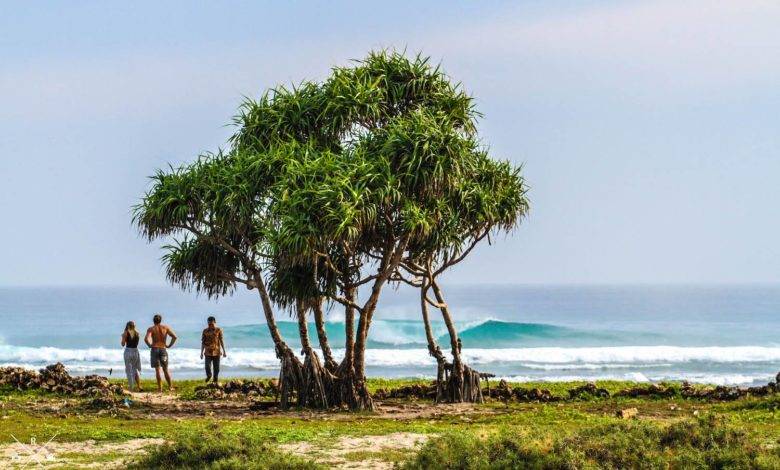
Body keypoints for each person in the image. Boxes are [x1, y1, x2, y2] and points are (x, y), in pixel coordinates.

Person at [144, 314, 177, 392]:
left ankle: (160, 388)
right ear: (160, 320)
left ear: (153, 321)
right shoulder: (165, 328)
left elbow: (146, 339)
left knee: (157, 370)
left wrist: (149, 345)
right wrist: (169, 345)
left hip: (155, 349)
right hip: (163, 349)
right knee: (165, 369)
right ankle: (170, 387)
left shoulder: (151, 329)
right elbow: (174, 337)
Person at [200, 316, 226, 384]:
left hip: (216, 352)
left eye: (212, 324)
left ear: (215, 322)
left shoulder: (218, 330)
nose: (210, 325)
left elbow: (221, 340)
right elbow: (203, 342)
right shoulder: (205, 331)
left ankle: (215, 381)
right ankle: (209, 376)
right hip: (208, 352)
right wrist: (201, 353)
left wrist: (224, 351)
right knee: (207, 367)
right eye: (209, 324)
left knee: (216, 368)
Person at [121, 321, 142, 392]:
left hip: (128, 351)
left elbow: (123, 344)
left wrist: (123, 337)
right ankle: (138, 386)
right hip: (135, 351)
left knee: (128, 370)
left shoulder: (126, 333)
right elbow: (136, 343)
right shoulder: (137, 333)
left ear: (127, 326)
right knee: (134, 369)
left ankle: (131, 387)